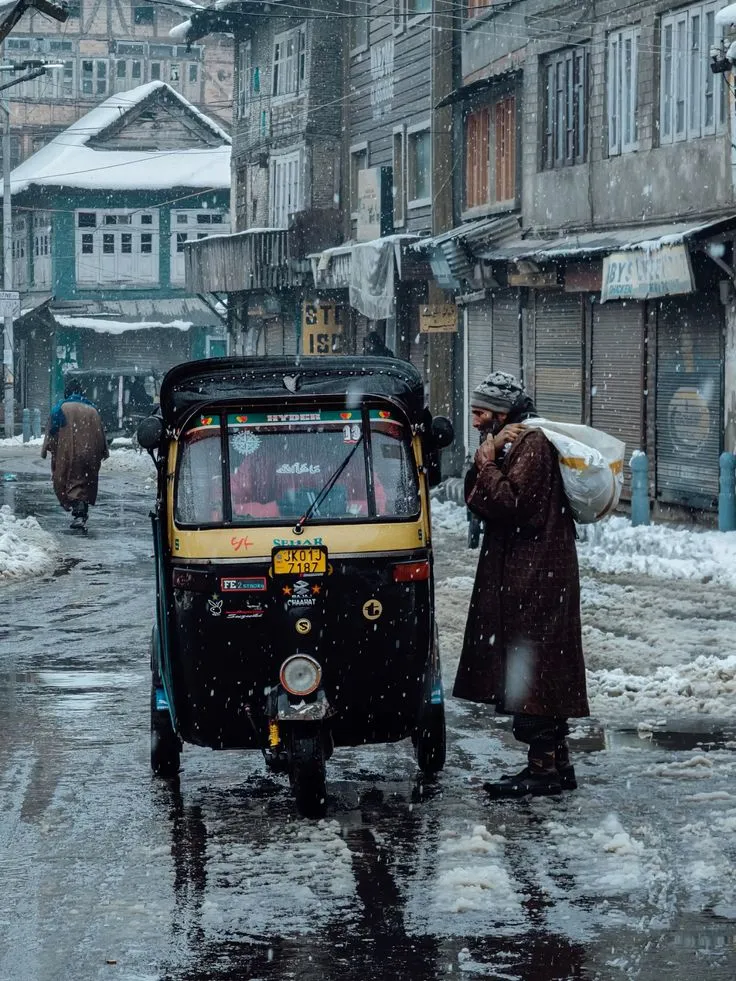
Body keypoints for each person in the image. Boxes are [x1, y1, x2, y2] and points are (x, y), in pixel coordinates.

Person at [452, 371, 589, 798]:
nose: (474, 422)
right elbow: (476, 496)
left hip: (535, 578)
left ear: (500, 412)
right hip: (529, 574)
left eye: (479, 413)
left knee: (534, 670)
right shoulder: (513, 441)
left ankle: (544, 770)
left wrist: (487, 461)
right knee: (539, 667)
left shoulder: (531, 444)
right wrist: (488, 456)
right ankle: (557, 764)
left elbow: (511, 503)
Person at [41, 377, 109, 530]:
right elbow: (101, 436)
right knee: (85, 481)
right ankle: (81, 509)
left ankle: (78, 511)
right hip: (89, 453)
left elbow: (52, 432)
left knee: (68, 480)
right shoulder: (92, 410)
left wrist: (49, 448)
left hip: (68, 453)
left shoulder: (60, 408)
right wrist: (99, 452)